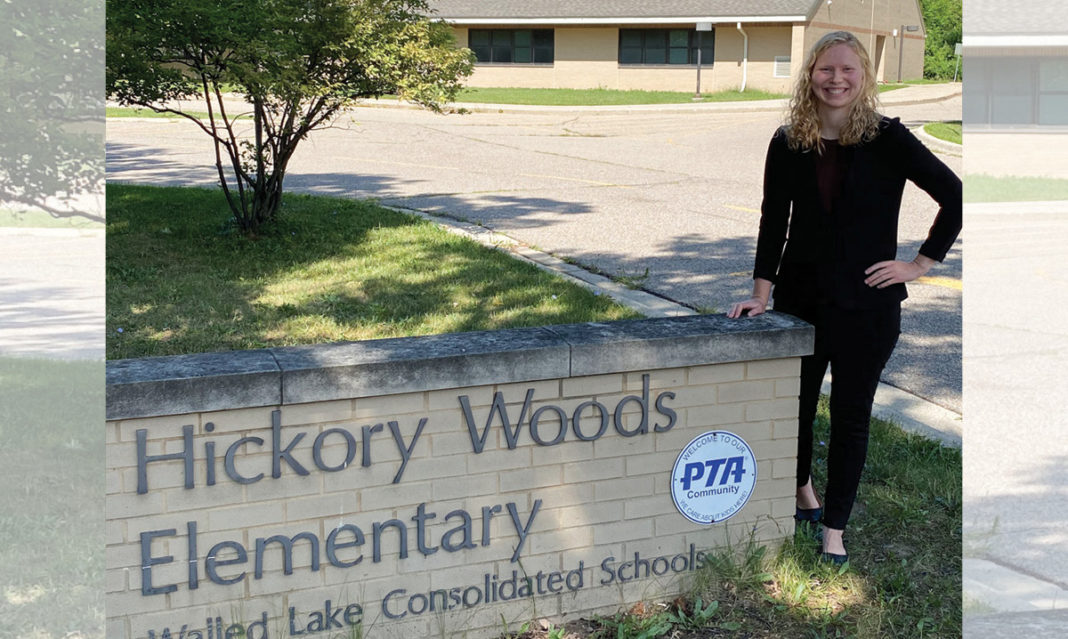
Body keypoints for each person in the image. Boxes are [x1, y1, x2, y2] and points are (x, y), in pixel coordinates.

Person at [726, 31, 961, 564]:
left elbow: (957, 197)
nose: (836, 79)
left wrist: (920, 264)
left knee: (852, 417)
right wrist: (761, 292)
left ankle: (834, 529)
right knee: (797, 410)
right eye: (825, 69)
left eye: (847, 70)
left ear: (864, 77)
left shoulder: (888, 139)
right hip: (800, 303)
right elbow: (773, 221)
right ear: (810, 74)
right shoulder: (788, 141)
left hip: (868, 308)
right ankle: (802, 491)